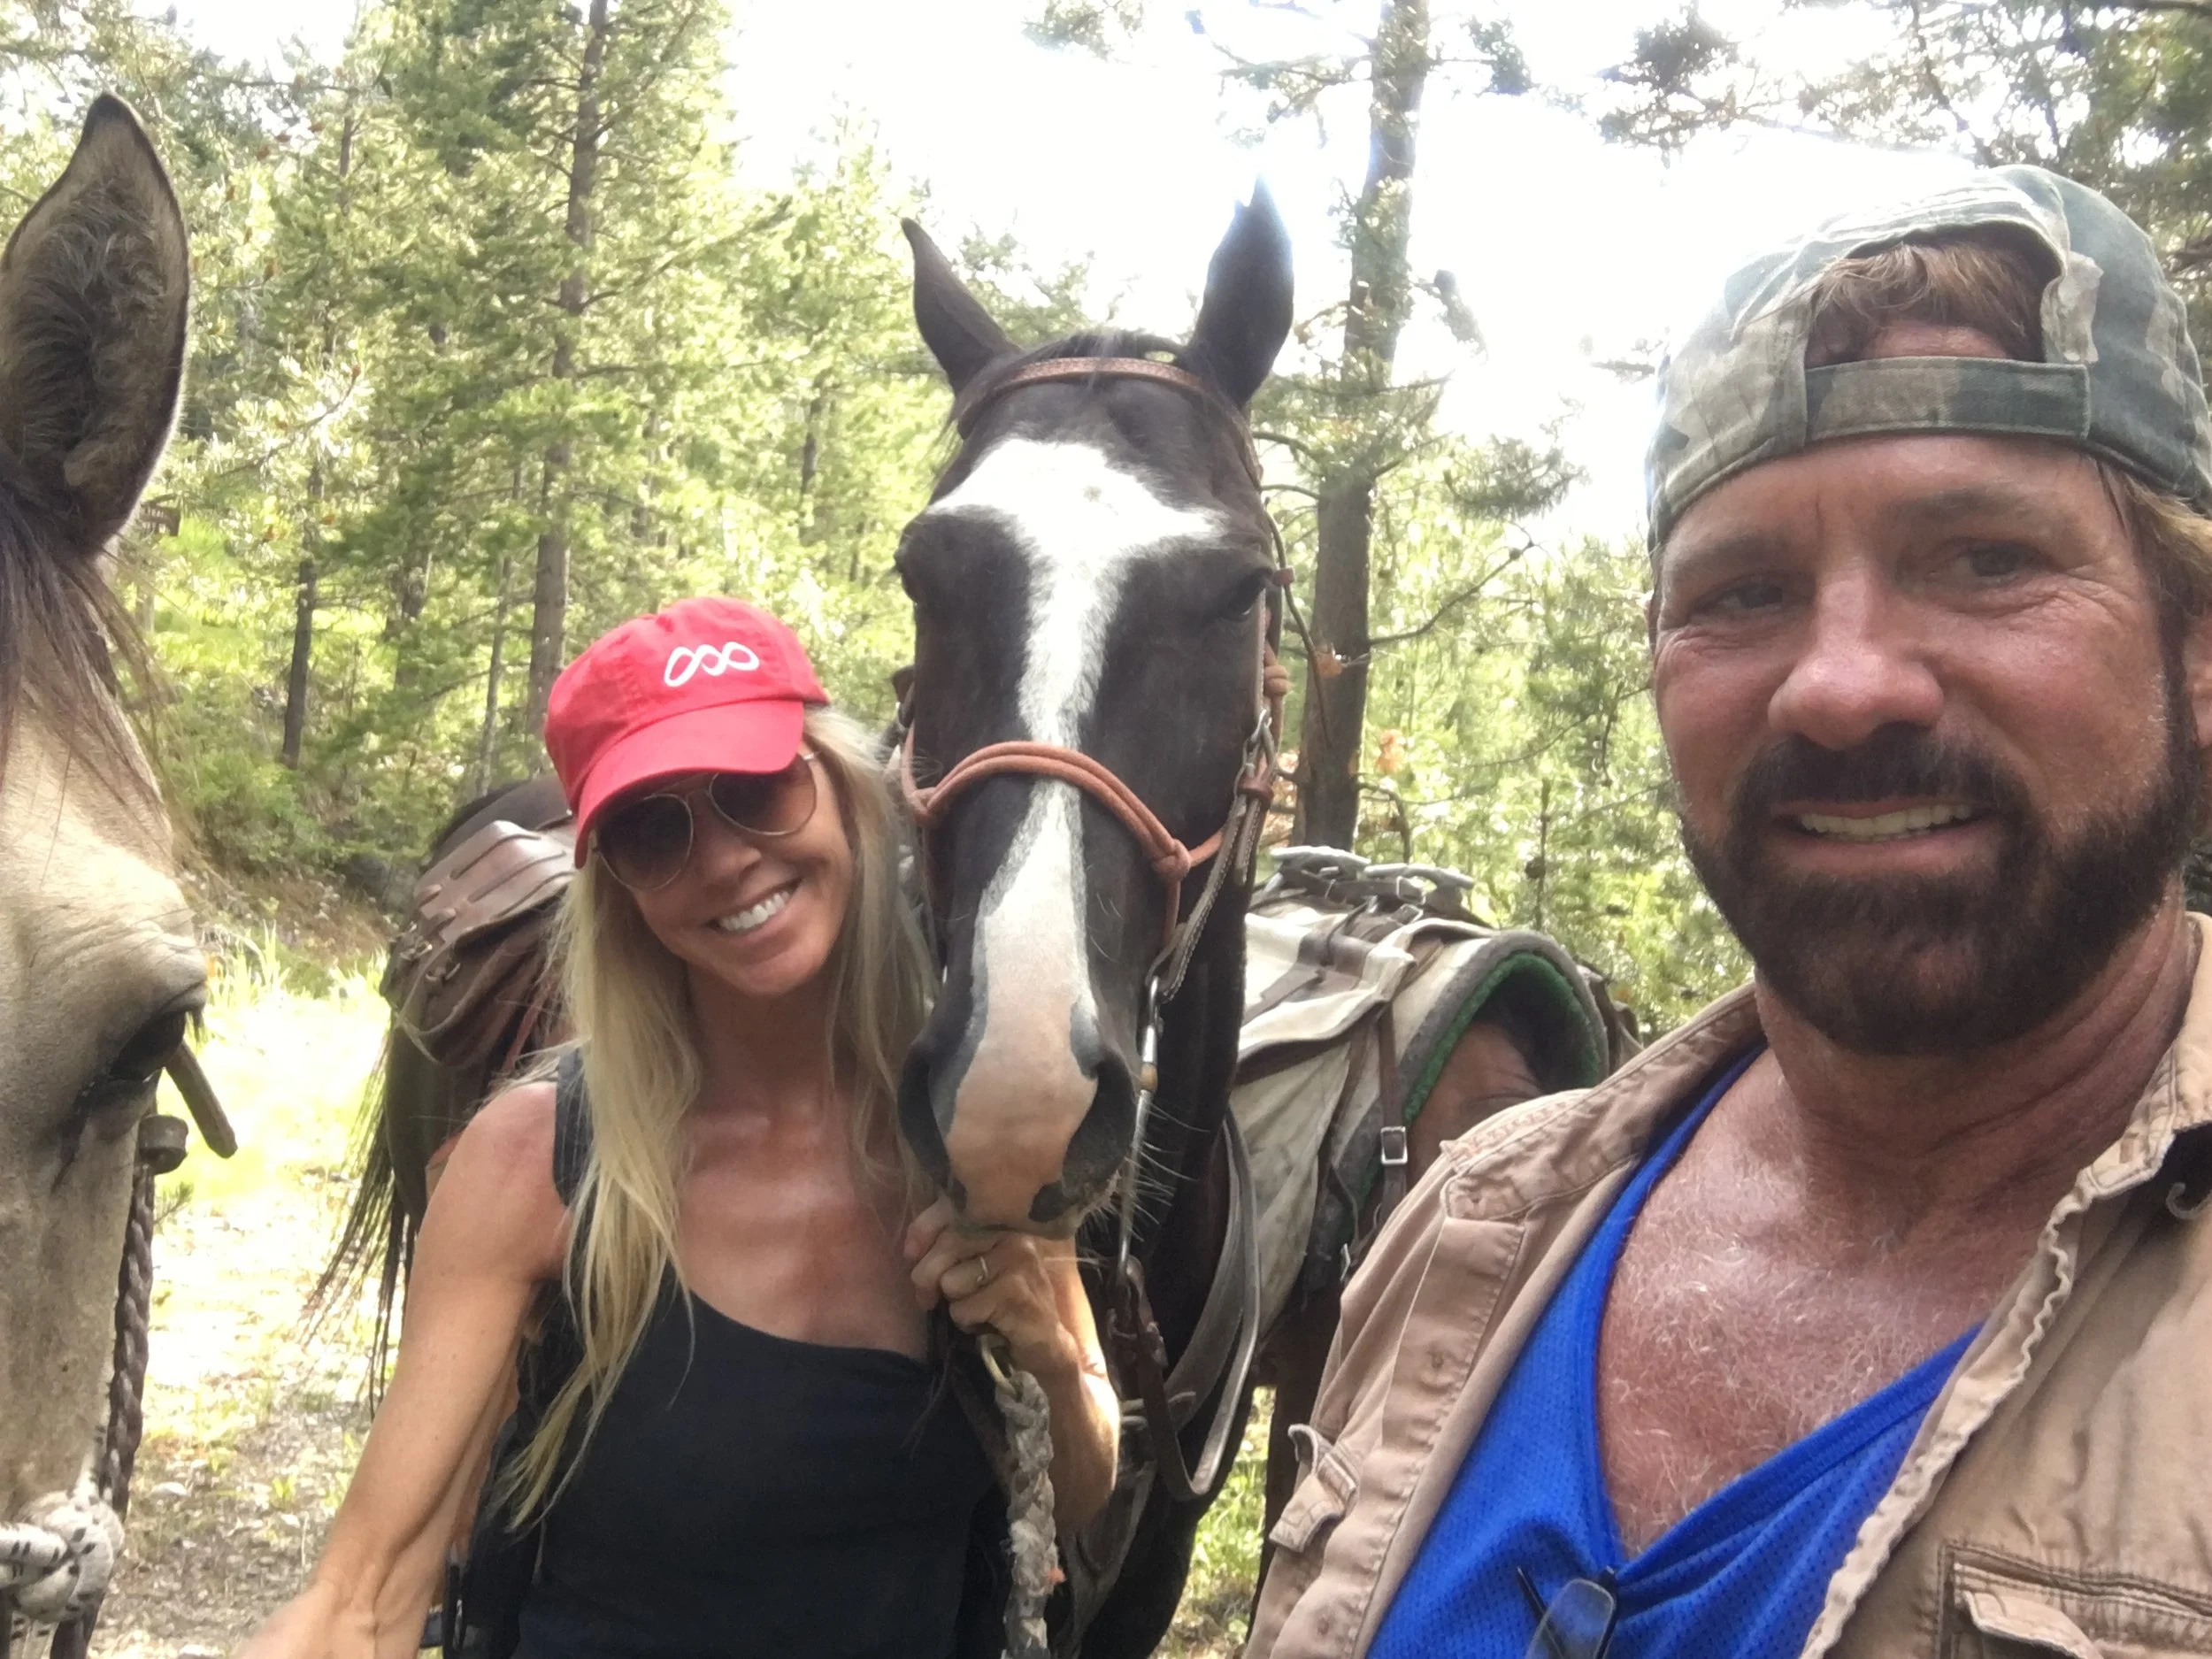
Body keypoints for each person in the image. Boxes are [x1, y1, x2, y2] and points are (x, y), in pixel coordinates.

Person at [1247, 168, 2212, 1659]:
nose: (1838, 684)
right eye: (1743, 591)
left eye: (1986, 561)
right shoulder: (1475, 1224)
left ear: (2196, 654)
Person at [244, 596, 1118, 1659]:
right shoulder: (538, 1163)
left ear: (842, 786)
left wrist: (1058, 1353)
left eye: (754, 788)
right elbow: (362, 1595)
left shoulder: (977, 1132)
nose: (722, 860)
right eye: (655, 831)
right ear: (614, 884)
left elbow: (1080, 1485)